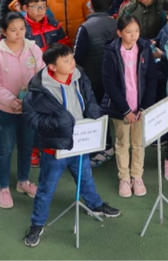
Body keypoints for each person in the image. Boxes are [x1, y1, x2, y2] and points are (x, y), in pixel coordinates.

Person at [22, 43, 121, 247]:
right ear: (52, 67)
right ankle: (37, 224)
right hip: (54, 149)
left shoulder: (79, 75)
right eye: (66, 61)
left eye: (72, 58)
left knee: (86, 177)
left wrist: (95, 114)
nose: (72, 63)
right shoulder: (39, 90)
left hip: (80, 143)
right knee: (46, 188)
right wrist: (57, 123)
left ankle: (95, 205)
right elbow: (32, 118)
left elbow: (89, 98)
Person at [0, 12, 44, 208]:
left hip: (29, 109)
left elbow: (41, 75)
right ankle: (3, 187)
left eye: (22, 29)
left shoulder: (33, 48)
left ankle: (23, 181)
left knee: (27, 146)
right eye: (13, 30)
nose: (19, 34)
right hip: (5, 111)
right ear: (3, 31)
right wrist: (12, 102)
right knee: (4, 149)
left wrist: (30, 100)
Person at [101, 14, 158, 199]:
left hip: (140, 108)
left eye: (136, 31)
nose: (133, 35)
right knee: (122, 144)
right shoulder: (111, 51)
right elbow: (109, 84)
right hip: (121, 109)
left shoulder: (144, 47)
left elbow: (151, 77)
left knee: (139, 144)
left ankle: (137, 176)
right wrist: (125, 110)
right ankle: (124, 178)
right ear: (119, 33)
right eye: (128, 32)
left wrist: (145, 106)